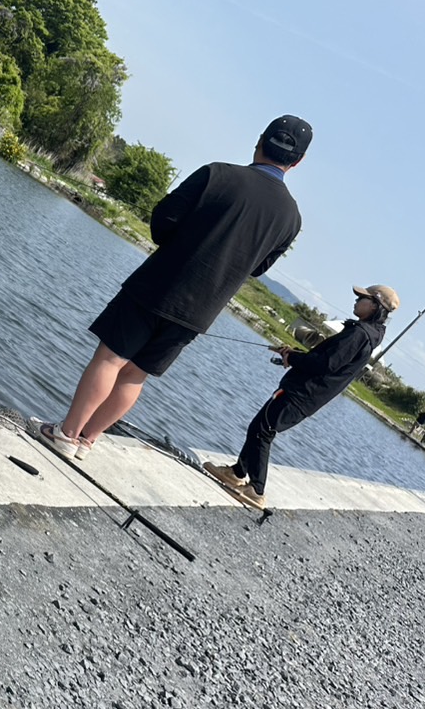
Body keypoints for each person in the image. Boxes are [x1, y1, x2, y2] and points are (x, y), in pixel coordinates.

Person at [38, 115, 309, 461]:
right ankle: (87, 442)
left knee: (110, 359)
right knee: (135, 375)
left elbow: (162, 221)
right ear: (298, 161)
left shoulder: (217, 174)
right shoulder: (291, 218)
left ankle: (67, 434)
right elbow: (258, 268)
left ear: (260, 140)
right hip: (199, 312)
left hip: (157, 284)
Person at [204, 284, 398, 507]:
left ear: (375, 305)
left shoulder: (359, 334)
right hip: (307, 393)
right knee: (259, 427)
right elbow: (329, 363)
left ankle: (256, 490)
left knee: (263, 431)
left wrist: (293, 358)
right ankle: (237, 473)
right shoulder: (367, 334)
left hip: (302, 393)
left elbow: (325, 364)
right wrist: (294, 355)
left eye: (362, 298)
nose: (356, 300)